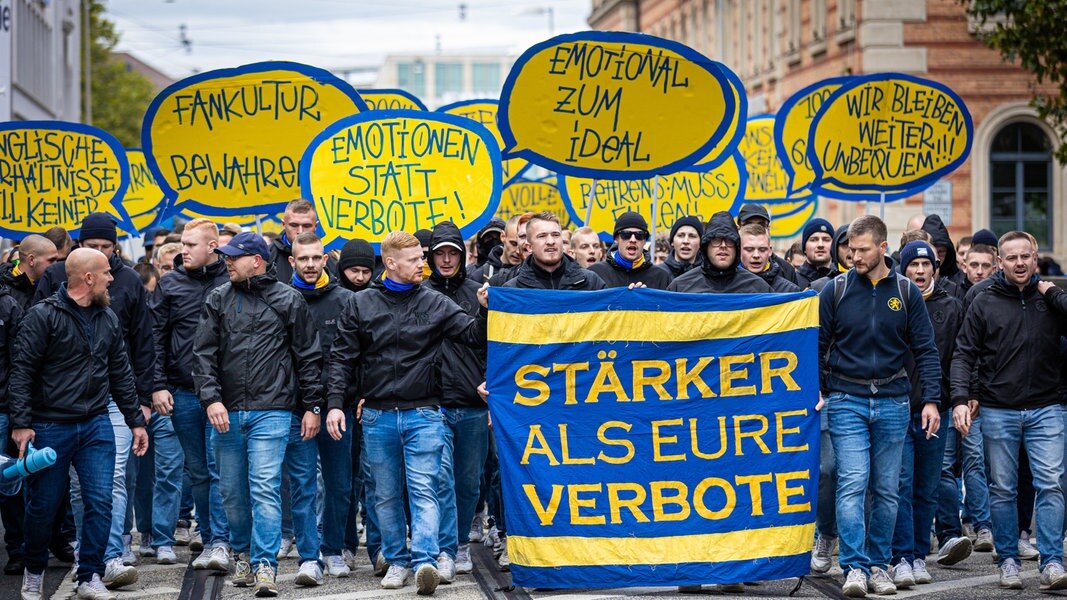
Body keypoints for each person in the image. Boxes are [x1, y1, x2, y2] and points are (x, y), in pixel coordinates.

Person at [326, 230, 489, 595]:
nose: (423, 264)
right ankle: (397, 561)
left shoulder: (435, 302)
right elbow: (342, 358)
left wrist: (483, 308)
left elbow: (473, 335)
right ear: (391, 263)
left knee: (424, 489)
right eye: (415, 259)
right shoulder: (360, 304)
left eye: (422, 257)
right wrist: (336, 404)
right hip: (378, 414)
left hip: (425, 412)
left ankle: (426, 561)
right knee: (383, 495)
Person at [10, 248, 149, 600]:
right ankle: (34, 571)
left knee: (101, 501)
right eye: (105, 273)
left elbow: (121, 373)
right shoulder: (42, 316)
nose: (112, 278)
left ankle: (89, 575)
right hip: (50, 425)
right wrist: (22, 422)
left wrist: (136, 421)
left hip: (96, 424)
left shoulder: (108, 317)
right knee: (43, 506)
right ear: (88, 278)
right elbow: (22, 370)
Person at [193, 232, 324, 597]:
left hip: (274, 410)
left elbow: (308, 358)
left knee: (264, 488)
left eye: (234, 257)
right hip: (227, 411)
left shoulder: (289, 299)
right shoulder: (218, 297)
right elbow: (203, 355)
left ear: (256, 259)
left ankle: (265, 564)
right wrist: (211, 400)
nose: (227, 262)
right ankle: (242, 553)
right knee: (232, 492)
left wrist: (313, 407)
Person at [818, 215, 941, 597]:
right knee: (853, 483)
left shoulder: (906, 292)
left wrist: (932, 400)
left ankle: (878, 564)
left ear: (883, 248)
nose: (854, 256)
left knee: (888, 490)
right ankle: (854, 566)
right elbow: (819, 346)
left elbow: (926, 351)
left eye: (863, 250)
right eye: (851, 250)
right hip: (845, 400)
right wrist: (822, 390)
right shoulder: (834, 290)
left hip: (893, 401)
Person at [950, 231, 1067, 591]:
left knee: (1051, 484)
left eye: (1025, 257)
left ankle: (1052, 562)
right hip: (998, 409)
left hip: (1048, 407)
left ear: (1036, 259)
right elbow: (963, 352)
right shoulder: (983, 301)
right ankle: (1009, 560)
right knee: (1002, 489)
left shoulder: (1049, 300)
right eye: (1011, 258)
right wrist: (959, 398)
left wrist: (1056, 295)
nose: (1019, 263)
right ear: (1000, 262)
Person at [149, 218, 232, 574]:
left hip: (224, 393)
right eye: (182, 243)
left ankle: (222, 543)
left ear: (212, 247)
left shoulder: (233, 280)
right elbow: (153, 337)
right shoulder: (169, 284)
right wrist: (157, 384)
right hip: (182, 392)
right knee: (198, 471)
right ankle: (211, 537)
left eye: (191, 244)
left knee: (219, 470)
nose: (183, 249)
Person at [889, 242, 963, 588]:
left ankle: (919, 554)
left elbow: (960, 356)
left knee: (926, 487)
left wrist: (960, 395)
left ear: (935, 268)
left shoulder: (951, 307)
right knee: (900, 485)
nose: (919, 270)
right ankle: (901, 556)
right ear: (903, 268)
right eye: (913, 264)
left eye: (925, 264)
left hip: (938, 408)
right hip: (898, 408)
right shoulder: (893, 303)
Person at [287, 233, 356, 585]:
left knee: (339, 483)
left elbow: (351, 357)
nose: (311, 265)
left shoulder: (345, 300)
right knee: (302, 485)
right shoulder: (282, 299)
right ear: (292, 262)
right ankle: (309, 556)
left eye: (316, 258)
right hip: (294, 408)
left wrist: (340, 402)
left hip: (336, 409)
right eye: (304, 259)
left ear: (326, 259)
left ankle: (333, 549)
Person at [425, 222, 491, 580]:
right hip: (431, 401)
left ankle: (462, 540)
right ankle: (444, 548)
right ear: (430, 257)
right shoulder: (416, 292)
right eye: (440, 253)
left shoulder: (478, 292)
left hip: (472, 402)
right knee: (439, 479)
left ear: (463, 256)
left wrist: (492, 383)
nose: (447, 260)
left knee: (469, 482)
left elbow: (496, 343)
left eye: (453, 253)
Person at [666, 211, 771, 294]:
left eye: (729, 240)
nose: (723, 246)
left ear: (737, 247)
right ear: (706, 246)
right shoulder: (680, 287)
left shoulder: (758, 288)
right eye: (716, 240)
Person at [503, 213, 606, 291]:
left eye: (555, 235)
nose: (551, 242)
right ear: (529, 247)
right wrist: (485, 308)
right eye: (542, 236)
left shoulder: (591, 282)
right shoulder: (512, 290)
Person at [0, 281, 24, 576]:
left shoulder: (7, 305)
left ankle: (17, 547)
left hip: (3, 407)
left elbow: (21, 364)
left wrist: (20, 416)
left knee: (8, 483)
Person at [588, 212, 671, 289]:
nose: (633, 239)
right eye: (626, 234)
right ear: (616, 239)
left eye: (639, 235)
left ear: (645, 241)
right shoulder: (595, 273)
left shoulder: (661, 277)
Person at [736, 203, 800, 285]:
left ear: (768, 230)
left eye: (761, 225)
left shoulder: (786, 270)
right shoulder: (727, 268)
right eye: (748, 224)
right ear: (738, 229)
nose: (755, 228)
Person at [269, 199, 321, 283]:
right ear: (283, 224)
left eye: (306, 226)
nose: (300, 231)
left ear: (316, 226)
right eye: (294, 225)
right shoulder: (268, 257)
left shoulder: (328, 258)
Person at [738, 224, 800, 293]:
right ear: (738, 250)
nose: (756, 255)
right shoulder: (727, 287)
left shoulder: (789, 290)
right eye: (749, 249)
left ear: (770, 251)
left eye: (762, 250)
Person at [0, 235, 58, 308]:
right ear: (31, 260)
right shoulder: (4, 292)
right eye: (51, 260)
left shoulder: (50, 286)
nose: (55, 264)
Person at [470, 215, 525, 284]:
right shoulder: (479, 276)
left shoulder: (532, 273)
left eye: (523, 246)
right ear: (503, 236)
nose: (518, 251)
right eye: (513, 244)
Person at [654, 216, 703, 281]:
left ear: (700, 242)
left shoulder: (709, 276)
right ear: (672, 242)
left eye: (692, 236)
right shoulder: (657, 274)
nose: (686, 241)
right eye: (680, 235)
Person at [921, 215, 965, 286]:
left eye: (940, 252)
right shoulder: (908, 277)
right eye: (932, 252)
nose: (936, 257)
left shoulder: (961, 282)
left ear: (948, 253)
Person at [796, 218, 835, 288]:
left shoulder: (841, 281)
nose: (820, 245)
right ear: (804, 248)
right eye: (813, 240)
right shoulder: (793, 281)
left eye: (826, 240)